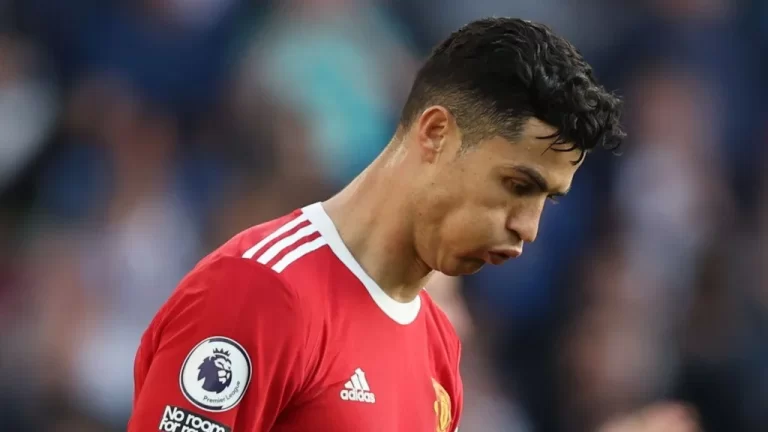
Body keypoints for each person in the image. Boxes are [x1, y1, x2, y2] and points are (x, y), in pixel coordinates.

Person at [128, 17, 624, 432]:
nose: (529, 228)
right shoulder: (263, 291)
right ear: (436, 133)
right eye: (516, 185)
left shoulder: (437, 343)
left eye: (547, 199)